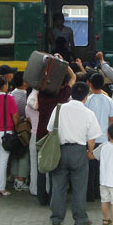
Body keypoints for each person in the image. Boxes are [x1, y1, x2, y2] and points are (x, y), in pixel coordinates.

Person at [47, 82, 102, 225]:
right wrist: (89, 152)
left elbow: (50, 130)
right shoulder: (89, 113)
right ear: (85, 97)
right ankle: (80, 219)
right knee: (79, 187)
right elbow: (92, 138)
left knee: (58, 185)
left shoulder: (59, 109)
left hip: (60, 150)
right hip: (79, 151)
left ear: (71, 94)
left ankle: (56, 218)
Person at [35, 66, 76, 205]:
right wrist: (65, 65)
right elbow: (74, 78)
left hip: (40, 134)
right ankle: (53, 196)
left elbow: (39, 80)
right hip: (54, 136)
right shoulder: (62, 94)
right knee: (54, 167)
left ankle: (41, 197)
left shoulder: (41, 93)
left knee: (41, 166)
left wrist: (50, 67)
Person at [85, 73, 113, 201]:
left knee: (90, 169)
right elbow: (112, 119)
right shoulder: (108, 100)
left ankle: (90, 194)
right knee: (101, 169)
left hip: (90, 140)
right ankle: (99, 193)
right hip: (103, 139)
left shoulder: (87, 100)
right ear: (103, 84)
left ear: (90, 85)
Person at [9, 71, 30, 191]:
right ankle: (21, 181)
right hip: (23, 128)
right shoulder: (25, 96)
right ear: (23, 82)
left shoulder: (11, 94)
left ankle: (15, 177)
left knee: (15, 154)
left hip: (12, 128)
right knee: (23, 154)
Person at [26, 88, 40, 196]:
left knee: (33, 164)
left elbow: (30, 121)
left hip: (33, 136)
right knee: (46, 165)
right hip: (45, 136)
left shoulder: (27, 108)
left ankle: (34, 188)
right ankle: (46, 188)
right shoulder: (48, 106)